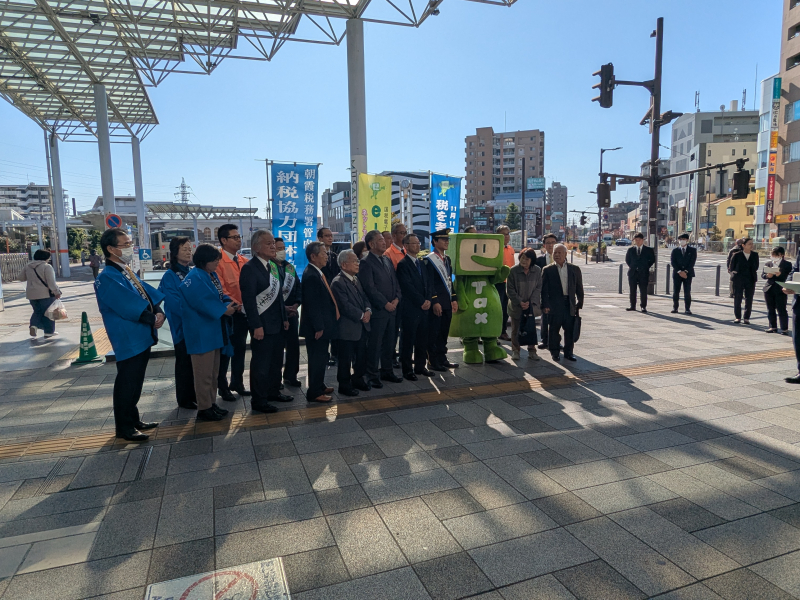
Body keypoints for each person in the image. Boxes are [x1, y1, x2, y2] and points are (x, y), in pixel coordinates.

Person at [94, 228, 165, 441]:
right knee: (127, 381)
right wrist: (152, 318)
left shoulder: (124, 271)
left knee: (135, 380)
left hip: (139, 334)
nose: (130, 248)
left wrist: (158, 312)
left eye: (130, 243)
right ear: (110, 249)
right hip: (128, 336)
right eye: (125, 245)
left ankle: (133, 419)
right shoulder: (107, 276)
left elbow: (148, 295)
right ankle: (124, 427)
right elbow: (126, 305)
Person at [181, 244, 236, 422]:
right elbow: (203, 302)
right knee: (203, 374)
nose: (217, 263)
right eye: (215, 260)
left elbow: (219, 296)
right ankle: (204, 408)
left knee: (212, 373)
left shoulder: (209, 275)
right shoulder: (194, 277)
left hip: (212, 331)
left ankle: (211, 404)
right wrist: (224, 310)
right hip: (200, 332)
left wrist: (228, 302)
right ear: (204, 261)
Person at [240, 230, 292, 413]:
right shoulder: (249, 268)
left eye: (273, 243)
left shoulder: (273, 267)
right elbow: (249, 301)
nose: (273, 247)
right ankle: (259, 400)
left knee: (276, 362)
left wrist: (284, 318)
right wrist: (256, 325)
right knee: (261, 365)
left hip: (277, 324)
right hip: (262, 326)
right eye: (268, 243)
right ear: (256, 247)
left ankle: (273, 392)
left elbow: (278, 298)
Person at [358, 230, 403, 387]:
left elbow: (395, 282)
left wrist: (396, 299)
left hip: (392, 309)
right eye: (380, 240)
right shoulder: (366, 262)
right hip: (379, 311)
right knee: (375, 344)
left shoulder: (386, 259)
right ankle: (372, 374)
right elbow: (370, 288)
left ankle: (387, 371)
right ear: (371, 244)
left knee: (390, 343)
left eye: (384, 239)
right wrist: (385, 304)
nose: (384, 242)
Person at [158, 237, 196, 409]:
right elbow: (174, 304)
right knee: (184, 363)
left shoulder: (192, 272)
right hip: (182, 327)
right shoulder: (170, 275)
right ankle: (184, 399)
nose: (188, 252)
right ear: (174, 253)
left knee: (194, 363)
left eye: (189, 249)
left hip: (196, 326)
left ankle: (194, 395)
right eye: (184, 249)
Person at [300, 242, 340, 402]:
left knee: (322, 357)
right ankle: (314, 392)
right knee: (316, 359)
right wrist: (319, 327)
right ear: (313, 256)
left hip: (323, 324)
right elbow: (312, 305)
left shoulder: (317, 272)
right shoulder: (311, 275)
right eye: (323, 253)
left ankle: (320, 385)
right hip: (317, 327)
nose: (327, 256)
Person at [215, 224, 249, 402]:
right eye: (234, 237)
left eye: (239, 237)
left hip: (244, 313)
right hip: (228, 313)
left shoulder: (243, 260)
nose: (238, 240)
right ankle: (223, 387)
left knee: (240, 349)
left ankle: (237, 382)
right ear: (223, 240)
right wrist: (237, 305)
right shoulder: (217, 262)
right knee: (225, 352)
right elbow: (221, 289)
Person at [331, 250, 372, 395]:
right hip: (347, 328)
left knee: (361, 356)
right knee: (345, 359)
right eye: (354, 261)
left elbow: (365, 298)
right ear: (344, 264)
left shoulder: (356, 279)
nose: (357, 263)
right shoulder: (338, 282)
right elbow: (344, 306)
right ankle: (344, 385)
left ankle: (358, 379)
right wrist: (361, 315)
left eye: (357, 261)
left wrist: (368, 310)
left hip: (361, 326)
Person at [396, 234, 434, 380]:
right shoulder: (403, 264)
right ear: (406, 246)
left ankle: (420, 366)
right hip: (411, 309)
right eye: (414, 243)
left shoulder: (421, 263)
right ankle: (407, 370)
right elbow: (407, 287)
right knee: (408, 340)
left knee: (422, 339)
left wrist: (428, 299)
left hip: (424, 308)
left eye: (418, 243)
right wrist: (421, 301)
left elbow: (428, 283)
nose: (418, 246)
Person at [424, 229, 459, 371]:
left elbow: (449, 281)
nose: (446, 242)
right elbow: (429, 283)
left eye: (447, 239)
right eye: (443, 239)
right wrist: (435, 301)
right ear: (435, 241)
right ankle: (432, 361)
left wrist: (454, 298)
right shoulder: (429, 260)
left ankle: (442, 358)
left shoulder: (447, 259)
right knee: (434, 333)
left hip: (447, 301)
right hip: (437, 302)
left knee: (444, 332)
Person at [541, 244, 583, 362]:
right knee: (554, 330)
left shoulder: (574, 269)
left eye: (560, 253)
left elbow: (579, 287)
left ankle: (569, 353)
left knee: (569, 330)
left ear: (565, 254)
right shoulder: (548, 270)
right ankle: (554, 352)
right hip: (554, 305)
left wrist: (580, 302)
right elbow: (544, 290)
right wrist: (545, 305)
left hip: (569, 304)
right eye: (555, 252)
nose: (557, 255)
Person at [275, 237, 302, 387]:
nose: (282, 251)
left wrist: (296, 304)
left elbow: (298, 287)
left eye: (283, 248)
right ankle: (275, 379)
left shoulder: (290, 267)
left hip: (292, 313)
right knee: (277, 349)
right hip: (276, 315)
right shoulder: (269, 267)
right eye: (278, 248)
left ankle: (291, 376)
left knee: (293, 346)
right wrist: (283, 307)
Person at [507, 248, 542, 361]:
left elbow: (538, 287)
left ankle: (532, 351)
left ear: (532, 260)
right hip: (516, 306)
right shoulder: (513, 271)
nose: (524, 261)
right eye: (522, 258)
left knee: (531, 328)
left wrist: (531, 302)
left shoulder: (537, 270)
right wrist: (519, 301)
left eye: (527, 259)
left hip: (531, 306)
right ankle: (515, 351)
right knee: (515, 329)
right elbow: (510, 289)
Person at [22, 249, 62, 339]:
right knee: (48, 312)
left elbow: (21, 277)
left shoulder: (28, 266)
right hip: (45, 294)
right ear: (46, 257)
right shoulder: (47, 267)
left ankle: (33, 325)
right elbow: (51, 282)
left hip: (31, 294)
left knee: (37, 311)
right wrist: (57, 292)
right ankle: (48, 332)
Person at [318, 227, 340, 366]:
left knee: (336, 326)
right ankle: (325, 356)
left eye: (331, 235)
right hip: (324, 296)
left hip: (336, 296)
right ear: (320, 238)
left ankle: (335, 354)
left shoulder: (334, 256)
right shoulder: (317, 257)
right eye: (327, 236)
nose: (330, 238)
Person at [763, 246, 792, 334]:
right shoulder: (768, 263)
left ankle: (784, 328)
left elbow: (789, 276)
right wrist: (767, 276)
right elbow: (763, 275)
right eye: (772, 254)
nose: (773, 256)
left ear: (781, 255)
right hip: (769, 288)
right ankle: (772, 327)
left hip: (780, 289)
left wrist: (780, 275)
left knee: (781, 309)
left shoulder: (787, 264)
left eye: (776, 255)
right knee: (770, 308)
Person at [730, 237, 759, 324]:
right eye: (749, 244)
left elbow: (756, 267)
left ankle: (746, 317)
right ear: (743, 245)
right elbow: (731, 267)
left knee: (749, 298)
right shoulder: (737, 255)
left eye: (752, 244)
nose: (751, 245)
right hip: (738, 279)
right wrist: (734, 274)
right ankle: (738, 317)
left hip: (750, 279)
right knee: (737, 298)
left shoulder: (755, 255)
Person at [536, 233, 557, 350]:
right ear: (544, 245)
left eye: (553, 242)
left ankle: (555, 340)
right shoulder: (539, 260)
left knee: (557, 318)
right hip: (544, 292)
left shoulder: (562, 258)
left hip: (558, 293)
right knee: (545, 317)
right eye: (548, 243)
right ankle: (544, 340)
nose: (551, 245)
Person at [625, 233, 655, 313]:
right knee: (632, 290)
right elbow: (627, 260)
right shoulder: (631, 250)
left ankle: (643, 306)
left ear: (642, 240)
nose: (637, 242)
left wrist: (645, 266)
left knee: (643, 290)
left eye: (639, 240)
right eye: (636, 240)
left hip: (643, 273)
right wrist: (633, 266)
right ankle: (632, 306)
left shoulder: (648, 250)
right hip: (633, 273)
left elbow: (652, 260)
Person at [495, 225, 515, 341]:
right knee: (497, 309)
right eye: (503, 234)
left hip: (509, 283)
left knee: (506, 309)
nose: (506, 236)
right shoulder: (494, 249)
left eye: (507, 234)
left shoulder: (511, 249)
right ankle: (494, 333)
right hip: (498, 282)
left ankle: (503, 331)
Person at [670, 233, 697, 315]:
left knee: (687, 291)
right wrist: (679, 271)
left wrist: (685, 271)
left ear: (687, 240)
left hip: (688, 274)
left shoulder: (692, 250)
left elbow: (692, 262)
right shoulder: (675, 251)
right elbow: (673, 262)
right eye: (680, 239)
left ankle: (687, 308)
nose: (682, 241)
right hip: (677, 274)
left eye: (684, 239)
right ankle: (675, 307)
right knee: (676, 291)